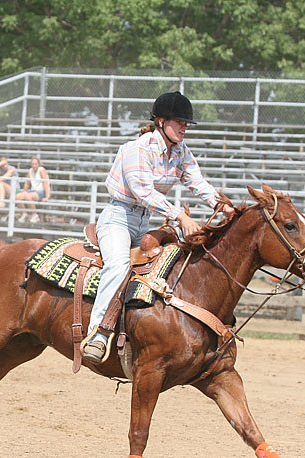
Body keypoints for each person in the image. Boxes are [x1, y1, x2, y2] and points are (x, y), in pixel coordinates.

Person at [82, 91, 235, 364]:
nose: (184, 128)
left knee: (177, 260)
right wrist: (181, 217)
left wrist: (221, 206)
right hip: (118, 218)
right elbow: (142, 191)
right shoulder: (138, 148)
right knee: (118, 264)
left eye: (186, 124)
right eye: (180, 122)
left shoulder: (181, 152)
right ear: (161, 121)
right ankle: (98, 333)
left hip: (144, 221)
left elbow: (198, 182)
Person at [16, 157, 51, 223]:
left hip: (41, 191)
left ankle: (34, 215)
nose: (34, 165)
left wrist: (47, 197)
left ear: (38, 164)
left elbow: (45, 183)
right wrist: (24, 191)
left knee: (28, 196)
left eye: (36, 164)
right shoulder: (30, 171)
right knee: (18, 196)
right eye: (33, 164)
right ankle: (24, 213)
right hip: (33, 191)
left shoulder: (41, 170)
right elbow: (27, 183)